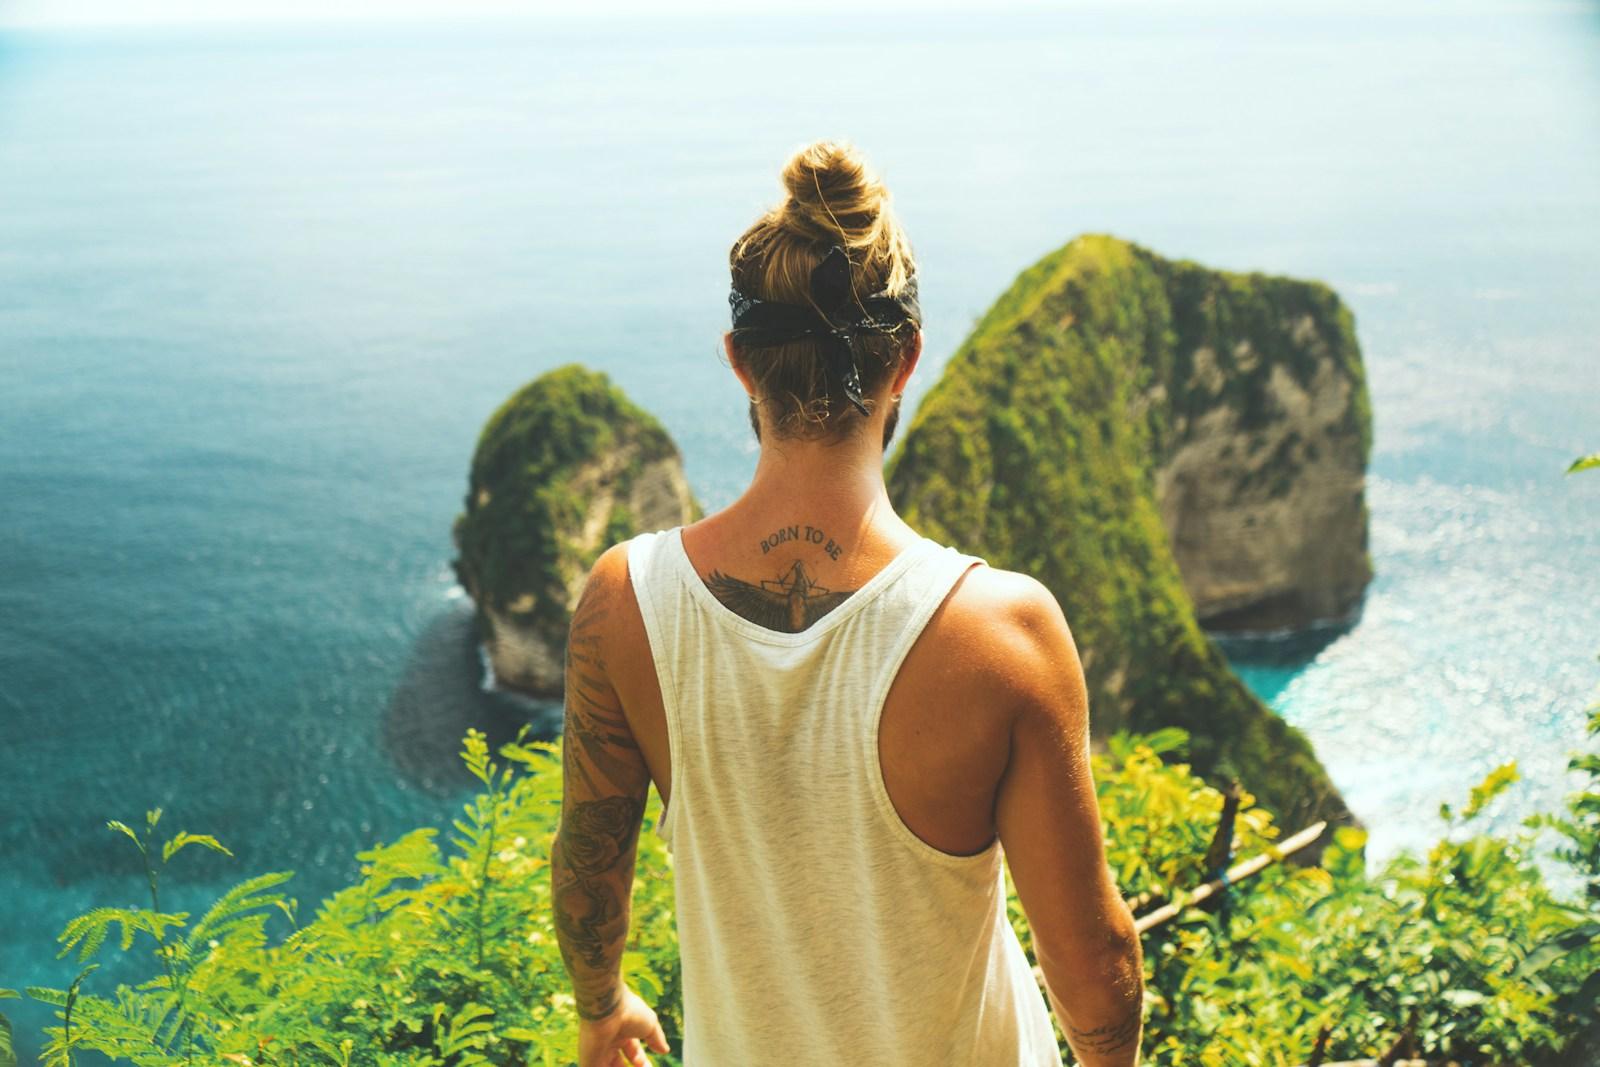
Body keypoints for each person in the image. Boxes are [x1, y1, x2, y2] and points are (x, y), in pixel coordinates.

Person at [550, 138, 1143, 1067]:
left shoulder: (624, 603)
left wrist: (602, 1005)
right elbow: (1092, 957)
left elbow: (590, 854)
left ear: (741, 362)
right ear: (906, 360)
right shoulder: (1001, 632)